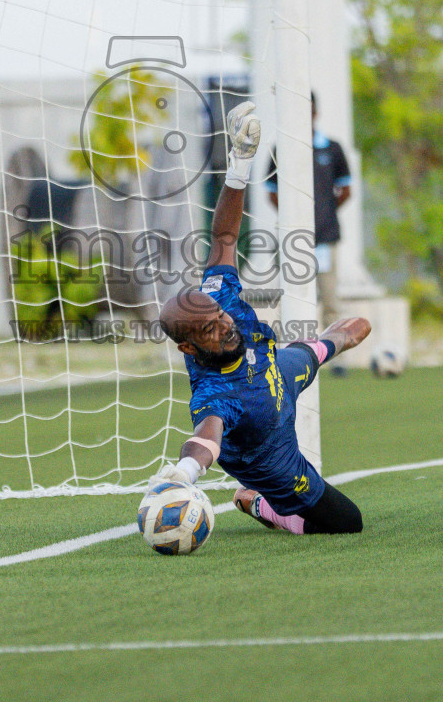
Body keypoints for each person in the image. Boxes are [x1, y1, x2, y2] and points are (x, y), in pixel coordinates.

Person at [149, 100, 371, 535]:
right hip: (273, 454)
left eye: (218, 316)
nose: (224, 325)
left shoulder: (221, 299)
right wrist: (183, 474)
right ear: (188, 348)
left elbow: (225, 236)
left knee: (347, 332)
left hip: (276, 367)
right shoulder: (215, 395)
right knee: (349, 523)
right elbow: (206, 438)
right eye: (209, 329)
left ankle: (332, 342)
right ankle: (256, 503)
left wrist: (241, 164)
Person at [265, 92, 353, 333]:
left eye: (309, 111)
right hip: (293, 239)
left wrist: (325, 213)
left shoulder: (332, 149)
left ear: (316, 112)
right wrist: (294, 216)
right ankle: (291, 354)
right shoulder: (281, 149)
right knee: (292, 299)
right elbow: (272, 192)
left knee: (330, 301)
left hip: (325, 238)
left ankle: (335, 360)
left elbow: (346, 190)